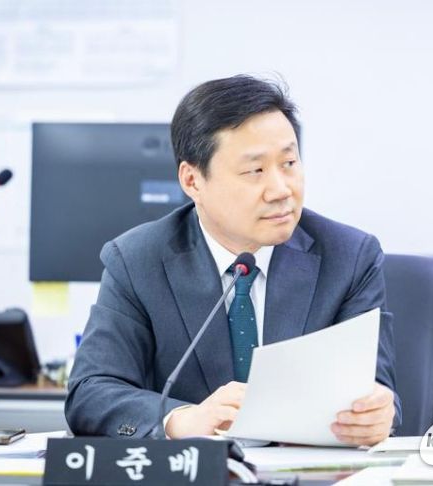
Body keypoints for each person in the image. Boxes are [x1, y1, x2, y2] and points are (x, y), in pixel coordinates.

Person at [65, 75, 400, 446]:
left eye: (289, 162)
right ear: (192, 181)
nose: (281, 190)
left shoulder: (349, 257)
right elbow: (91, 392)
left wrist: (377, 413)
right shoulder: (138, 261)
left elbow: (375, 387)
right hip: (193, 470)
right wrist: (181, 419)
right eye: (255, 171)